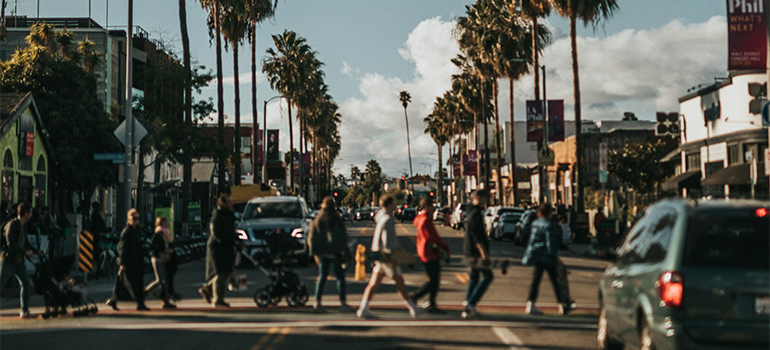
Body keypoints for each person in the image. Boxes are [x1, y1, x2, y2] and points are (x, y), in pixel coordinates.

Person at [357, 195, 422, 319]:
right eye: (394, 203)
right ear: (389, 204)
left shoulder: (381, 217)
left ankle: (363, 308)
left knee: (374, 283)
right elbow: (388, 241)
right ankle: (413, 308)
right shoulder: (387, 220)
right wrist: (392, 256)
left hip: (379, 255)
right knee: (399, 282)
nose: (396, 205)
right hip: (386, 256)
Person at [522, 202, 570, 315]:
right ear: (549, 212)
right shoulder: (550, 225)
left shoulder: (535, 223)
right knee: (556, 281)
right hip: (547, 256)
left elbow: (531, 240)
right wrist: (554, 257)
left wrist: (528, 254)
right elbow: (551, 243)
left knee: (536, 280)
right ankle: (562, 305)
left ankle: (530, 303)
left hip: (537, 255)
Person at [307, 196, 351, 313]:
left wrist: (314, 253)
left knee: (322, 277)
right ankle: (342, 303)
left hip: (322, 252)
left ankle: (317, 302)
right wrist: (345, 252)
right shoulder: (336, 219)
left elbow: (312, 237)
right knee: (340, 277)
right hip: (335, 252)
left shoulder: (318, 219)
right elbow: (342, 237)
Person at [0, 203, 43, 318]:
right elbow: (10, 243)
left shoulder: (23, 226)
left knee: (26, 283)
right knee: (1, 283)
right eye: (30, 212)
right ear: (26, 213)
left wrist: (36, 251)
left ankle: (24, 310)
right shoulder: (12, 224)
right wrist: (25, 252)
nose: (31, 214)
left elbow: (26, 244)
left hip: (19, 262)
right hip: (8, 261)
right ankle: (24, 310)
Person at [409, 197, 450, 314]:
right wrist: (444, 247)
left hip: (424, 251)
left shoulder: (421, 219)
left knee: (433, 279)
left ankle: (432, 303)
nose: (433, 208)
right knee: (433, 280)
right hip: (430, 252)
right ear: (426, 206)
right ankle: (416, 297)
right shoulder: (425, 220)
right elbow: (432, 237)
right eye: (432, 206)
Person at [199, 194, 239, 308]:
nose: (231, 203)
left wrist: (236, 240)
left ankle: (206, 289)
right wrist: (227, 241)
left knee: (225, 271)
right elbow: (216, 232)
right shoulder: (218, 215)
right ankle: (218, 299)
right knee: (220, 272)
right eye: (229, 202)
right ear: (223, 203)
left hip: (226, 245)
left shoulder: (229, 215)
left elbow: (231, 231)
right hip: (218, 247)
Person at [106, 209, 149, 311]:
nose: (136, 221)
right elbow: (122, 248)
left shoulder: (137, 231)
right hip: (129, 262)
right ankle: (139, 303)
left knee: (125, 283)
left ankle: (114, 300)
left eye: (137, 218)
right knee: (131, 284)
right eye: (134, 218)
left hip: (137, 261)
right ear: (129, 219)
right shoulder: (126, 232)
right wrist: (122, 262)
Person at [462, 190, 494, 318]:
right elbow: (476, 236)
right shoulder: (475, 214)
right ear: (478, 197)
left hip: (470, 252)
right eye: (485, 198)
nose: (486, 201)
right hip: (476, 253)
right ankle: (471, 301)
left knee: (474, 277)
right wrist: (483, 253)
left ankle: (468, 307)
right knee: (488, 276)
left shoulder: (470, 212)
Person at [144, 217, 176, 309]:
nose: (167, 225)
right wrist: (162, 252)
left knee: (164, 280)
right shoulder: (158, 234)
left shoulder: (164, 234)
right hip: (158, 259)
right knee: (160, 280)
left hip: (162, 259)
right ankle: (146, 291)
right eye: (165, 223)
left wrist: (168, 250)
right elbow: (152, 247)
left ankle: (165, 300)